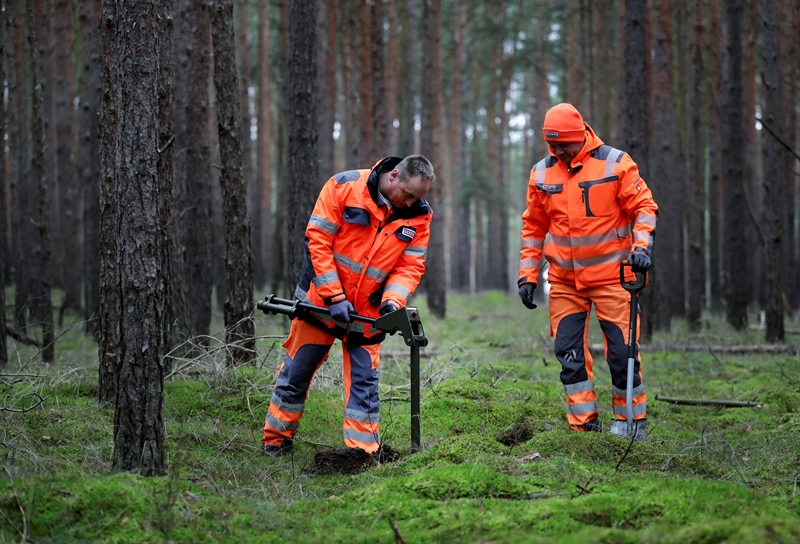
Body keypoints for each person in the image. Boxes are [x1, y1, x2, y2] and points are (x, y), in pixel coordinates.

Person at [262, 155, 435, 457]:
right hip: (319, 304)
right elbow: (318, 240)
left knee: (365, 383)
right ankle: (276, 440)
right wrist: (334, 297)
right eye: (407, 194)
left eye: (417, 198)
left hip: (367, 315)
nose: (409, 203)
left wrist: (392, 302)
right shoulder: (344, 186)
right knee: (297, 371)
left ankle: (362, 452)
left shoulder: (419, 216)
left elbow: (410, 266)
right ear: (393, 176)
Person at [517, 103, 658, 440]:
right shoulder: (541, 173)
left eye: (563, 144)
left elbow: (644, 208)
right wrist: (528, 276)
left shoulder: (615, 163)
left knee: (622, 354)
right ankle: (584, 427)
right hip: (565, 282)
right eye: (551, 145)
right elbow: (534, 227)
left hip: (614, 278)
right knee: (568, 355)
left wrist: (641, 248)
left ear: (580, 136)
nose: (557, 151)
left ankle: (630, 425)